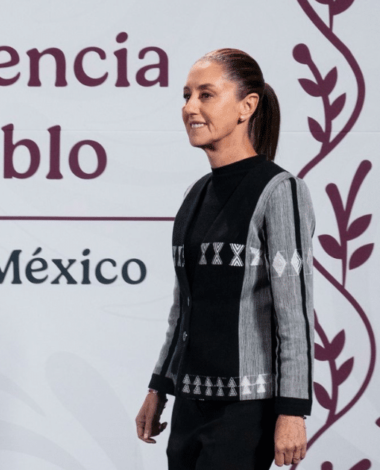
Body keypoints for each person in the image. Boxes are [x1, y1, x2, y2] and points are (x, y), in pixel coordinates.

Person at [134, 49, 315, 469]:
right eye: (186, 95)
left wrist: (293, 410)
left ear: (246, 106)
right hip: (188, 405)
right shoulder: (195, 195)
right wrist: (158, 387)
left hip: (245, 413)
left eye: (206, 95)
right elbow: (184, 309)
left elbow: (295, 314)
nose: (189, 108)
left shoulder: (280, 190)